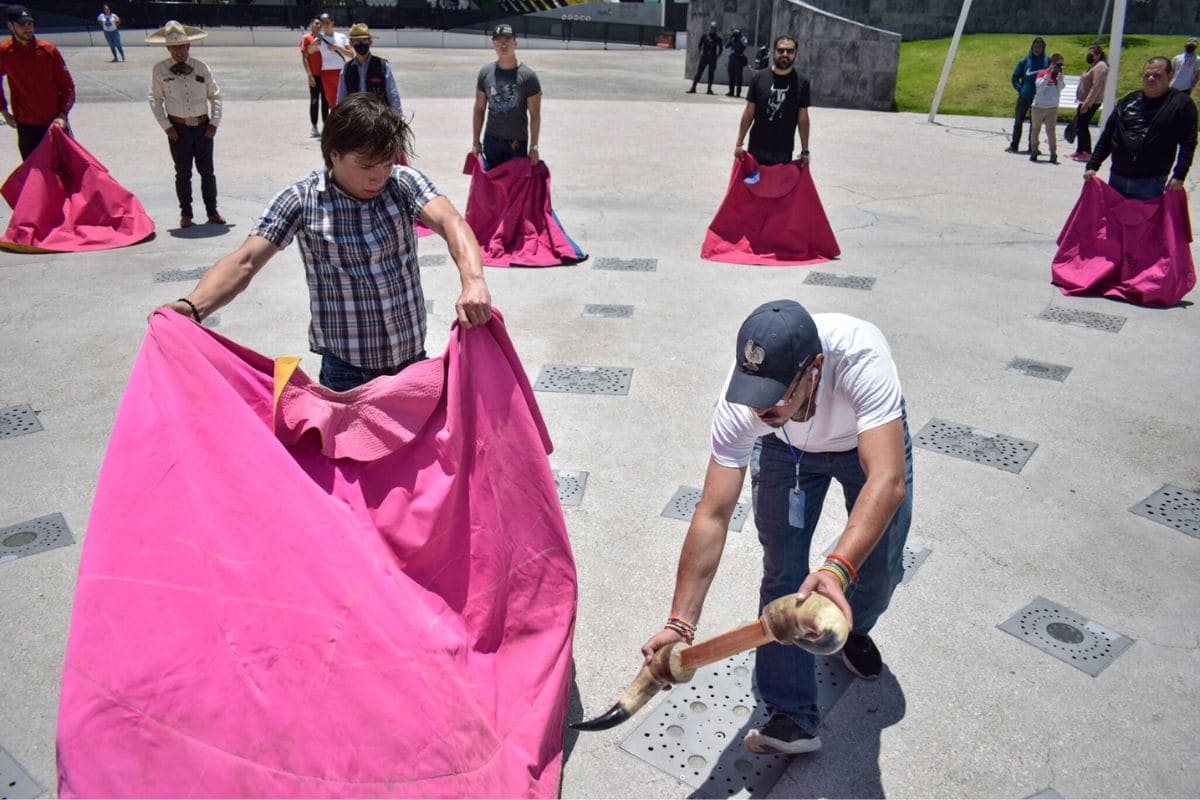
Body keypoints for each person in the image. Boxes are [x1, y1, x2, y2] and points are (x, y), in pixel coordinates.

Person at [640, 299, 911, 756]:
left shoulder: (860, 357)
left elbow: (887, 479)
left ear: (815, 369)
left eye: (776, 394)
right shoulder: (743, 404)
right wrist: (680, 623)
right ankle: (791, 714)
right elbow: (713, 512)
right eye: (754, 394)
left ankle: (855, 626)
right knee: (784, 571)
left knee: (879, 564)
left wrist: (839, 568)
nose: (761, 407)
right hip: (786, 452)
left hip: (861, 442)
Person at [158, 93, 492, 393]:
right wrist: (193, 306)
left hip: (412, 365)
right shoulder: (301, 201)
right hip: (346, 377)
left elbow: (451, 222)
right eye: (366, 166)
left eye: (387, 163)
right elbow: (245, 261)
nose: (379, 176)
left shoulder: (403, 183)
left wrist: (473, 282)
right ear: (334, 155)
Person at [1084, 56, 1197, 200]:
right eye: (1147, 75)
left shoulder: (1181, 104)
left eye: (1157, 75)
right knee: (1114, 221)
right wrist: (1093, 165)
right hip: (1117, 177)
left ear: (1170, 76)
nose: (1150, 78)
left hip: (1151, 181)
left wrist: (1180, 174)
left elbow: (1188, 142)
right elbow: (1108, 136)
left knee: (1145, 222)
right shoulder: (1127, 101)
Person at [147, 20, 225, 228]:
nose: (179, 51)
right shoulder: (160, 70)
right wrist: (167, 126)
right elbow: (155, 99)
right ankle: (186, 214)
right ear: (168, 48)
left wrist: (214, 123)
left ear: (189, 46)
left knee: (207, 172)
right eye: (174, 47)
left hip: (203, 127)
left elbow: (215, 96)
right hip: (178, 129)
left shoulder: (201, 67)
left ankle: (212, 211)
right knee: (183, 173)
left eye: (182, 46)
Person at [0, 5, 74, 160]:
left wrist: (62, 115)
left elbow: (68, 87)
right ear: (10, 26)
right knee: (34, 176)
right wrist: (4, 110)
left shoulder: (48, 51)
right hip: (27, 127)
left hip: (54, 124)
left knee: (66, 173)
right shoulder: (4, 52)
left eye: (30, 24)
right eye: (22, 24)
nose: (28, 28)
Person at [734, 35, 810, 166]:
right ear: (773, 52)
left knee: (779, 187)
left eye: (790, 51)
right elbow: (749, 113)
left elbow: (803, 119)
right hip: (757, 148)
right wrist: (739, 143)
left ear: (795, 54)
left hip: (783, 151)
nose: (785, 54)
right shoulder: (759, 78)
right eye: (781, 50)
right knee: (754, 186)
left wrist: (805, 151)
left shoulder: (802, 82)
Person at [472, 24, 541, 168]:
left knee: (516, 188)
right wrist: (476, 141)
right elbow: (479, 109)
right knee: (491, 187)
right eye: (498, 40)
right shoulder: (485, 72)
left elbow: (535, 115)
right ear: (493, 44)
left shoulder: (529, 76)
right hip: (491, 140)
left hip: (516, 142)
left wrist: (534, 146)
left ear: (515, 43)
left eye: (507, 39)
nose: (503, 44)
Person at [336, 23, 402, 115]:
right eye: (357, 41)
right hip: (355, 118)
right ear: (351, 43)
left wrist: (397, 118)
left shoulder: (382, 65)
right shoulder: (346, 69)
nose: (361, 44)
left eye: (364, 40)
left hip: (379, 117)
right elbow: (341, 98)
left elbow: (392, 94)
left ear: (370, 42)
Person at [1006, 36, 1048, 154]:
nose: (1037, 49)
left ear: (1043, 48)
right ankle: (1014, 145)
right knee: (1018, 122)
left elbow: (1051, 78)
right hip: (1024, 96)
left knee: (1035, 124)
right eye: (1035, 47)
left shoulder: (1046, 61)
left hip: (1039, 98)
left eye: (1040, 47)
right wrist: (1020, 89)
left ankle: (1032, 147)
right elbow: (1015, 77)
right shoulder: (1024, 61)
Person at [1068, 44, 1108, 162]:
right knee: (1080, 125)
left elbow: (1096, 86)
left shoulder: (1101, 66)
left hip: (1091, 102)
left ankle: (1087, 152)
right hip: (1083, 100)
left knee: (1083, 125)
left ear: (1098, 55)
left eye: (1091, 54)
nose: (1088, 56)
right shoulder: (1093, 66)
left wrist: (1087, 103)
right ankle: (1080, 150)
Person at [308, 13, 352, 111]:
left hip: (341, 72)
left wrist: (338, 47)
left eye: (327, 22)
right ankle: (336, 122)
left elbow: (351, 54)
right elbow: (310, 51)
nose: (325, 25)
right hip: (326, 73)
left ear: (332, 23)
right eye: (323, 23)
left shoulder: (341, 36)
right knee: (331, 101)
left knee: (343, 99)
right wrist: (314, 43)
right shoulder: (320, 38)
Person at [1029, 53, 1065, 164]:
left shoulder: (1058, 75)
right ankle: (1034, 150)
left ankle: (1053, 153)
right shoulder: (1042, 73)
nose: (1059, 66)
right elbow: (1039, 88)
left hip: (1052, 107)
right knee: (1035, 129)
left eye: (1061, 64)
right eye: (1058, 64)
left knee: (1051, 130)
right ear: (1052, 63)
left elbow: (1061, 88)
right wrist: (1048, 75)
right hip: (1039, 107)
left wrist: (1060, 78)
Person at [300, 17, 328, 138]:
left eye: (320, 24)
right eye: (316, 23)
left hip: (325, 74)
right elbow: (305, 57)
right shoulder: (306, 38)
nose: (318, 25)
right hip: (315, 75)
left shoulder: (324, 38)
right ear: (311, 24)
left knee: (326, 101)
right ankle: (314, 126)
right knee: (315, 100)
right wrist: (309, 75)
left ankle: (326, 126)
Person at [687, 21, 721, 95]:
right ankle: (693, 87)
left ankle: (709, 89)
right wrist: (700, 53)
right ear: (710, 28)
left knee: (711, 74)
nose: (713, 29)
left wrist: (717, 56)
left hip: (712, 57)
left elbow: (721, 48)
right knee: (699, 72)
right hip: (704, 56)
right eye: (712, 28)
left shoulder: (718, 37)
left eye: (714, 28)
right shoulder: (705, 35)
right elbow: (699, 45)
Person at [725, 28, 748, 98]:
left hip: (739, 59)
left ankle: (738, 92)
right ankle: (731, 91)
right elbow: (726, 46)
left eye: (736, 35)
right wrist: (730, 38)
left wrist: (740, 38)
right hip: (732, 58)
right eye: (734, 35)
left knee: (739, 77)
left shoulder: (742, 39)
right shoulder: (732, 40)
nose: (735, 36)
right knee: (731, 76)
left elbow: (744, 45)